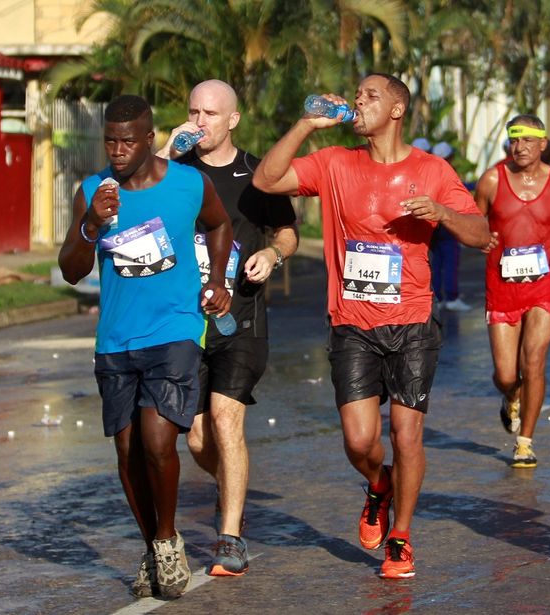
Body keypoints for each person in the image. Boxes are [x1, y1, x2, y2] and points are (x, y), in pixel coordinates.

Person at [253, 73, 490, 579]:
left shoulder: (431, 169)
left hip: (412, 321)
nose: (359, 102)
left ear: (398, 110)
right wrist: (306, 125)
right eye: (356, 95)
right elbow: (266, 181)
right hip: (353, 323)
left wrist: (443, 211)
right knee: (360, 442)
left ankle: (401, 536)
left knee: (407, 434)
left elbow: (481, 234)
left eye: (371, 96)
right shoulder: (336, 163)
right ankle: (379, 484)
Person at [58, 95, 233, 599]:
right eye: (109, 140)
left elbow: (219, 224)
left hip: (174, 331)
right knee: (128, 450)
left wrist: (217, 280)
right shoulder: (93, 190)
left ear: (150, 138)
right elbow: (72, 271)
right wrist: (91, 224)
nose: (116, 150)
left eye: (127, 141)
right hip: (115, 339)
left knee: (158, 442)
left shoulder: (188, 184)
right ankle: (152, 542)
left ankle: (166, 538)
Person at [157, 79, 299, 576]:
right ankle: (230, 489)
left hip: (240, 318)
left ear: (233, 119)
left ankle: (230, 536)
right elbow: (133, 195)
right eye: (192, 111)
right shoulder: (174, 170)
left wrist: (272, 252)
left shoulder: (259, 175)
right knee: (196, 439)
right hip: (184, 320)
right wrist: (164, 150)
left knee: (224, 418)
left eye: (210, 114)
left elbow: (287, 232)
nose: (199, 123)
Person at [476, 115, 550, 467]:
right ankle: (511, 397)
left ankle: (525, 442)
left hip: (544, 285)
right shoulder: (491, 179)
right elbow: (476, 223)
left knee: (533, 361)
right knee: (506, 374)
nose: (519, 148)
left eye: (527, 141)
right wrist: (480, 238)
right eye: (514, 140)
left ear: (543, 144)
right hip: (501, 287)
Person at [430, 141, 472, 312]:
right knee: (449, 261)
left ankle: (439, 298)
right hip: (446, 224)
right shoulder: (447, 173)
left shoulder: (428, 171)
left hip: (433, 225)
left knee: (436, 262)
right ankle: (451, 297)